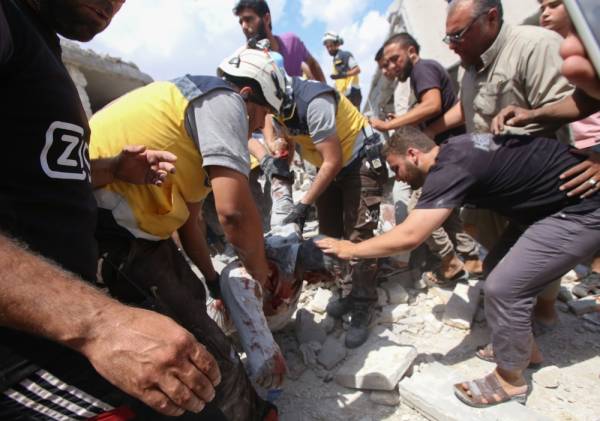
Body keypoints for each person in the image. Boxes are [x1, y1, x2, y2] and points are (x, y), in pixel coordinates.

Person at [0, 0, 230, 419]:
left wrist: (114, 169)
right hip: (21, 352)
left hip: (61, 321)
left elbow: (36, 175)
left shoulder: (41, 45)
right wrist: (99, 323)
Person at [316, 126, 600, 407]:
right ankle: (525, 350)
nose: (398, 179)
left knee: (504, 287)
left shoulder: (448, 169)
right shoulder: (453, 149)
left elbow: (410, 236)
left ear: (413, 154)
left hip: (580, 209)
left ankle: (510, 378)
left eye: (397, 168)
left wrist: (350, 248)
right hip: (546, 208)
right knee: (495, 266)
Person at [90, 48, 289, 420]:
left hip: (141, 236)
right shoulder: (223, 101)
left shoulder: (195, 122)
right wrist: (259, 278)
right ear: (247, 96)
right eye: (260, 116)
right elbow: (233, 213)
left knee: (195, 297)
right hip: (108, 237)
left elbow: (191, 221)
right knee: (206, 351)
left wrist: (214, 282)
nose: (253, 128)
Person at [253, 62, 388, 349]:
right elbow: (290, 140)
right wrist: (281, 161)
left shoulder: (314, 101)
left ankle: (363, 302)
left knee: (358, 235)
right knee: (329, 234)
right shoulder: (278, 106)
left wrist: (303, 204)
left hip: (357, 159)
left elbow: (334, 160)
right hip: (329, 167)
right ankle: (346, 289)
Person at [425, 0, 577, 251]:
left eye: (458, 35)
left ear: (491, 18)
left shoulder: (534, 45)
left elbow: (570, 107)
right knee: (478, 231)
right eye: (448, 37)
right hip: (491, 181)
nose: (452, 45)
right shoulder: (470, 64)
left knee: (530, 264)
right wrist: (432, 130)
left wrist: (529, 117)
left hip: (535, 183)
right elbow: (468, 106)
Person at [371, 32, 483, 283]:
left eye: (393, 59)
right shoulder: (419, 77)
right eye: (385, 65)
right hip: (449, 152)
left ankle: (449, 262)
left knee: (418, 208)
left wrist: (391, 125)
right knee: (448, 212)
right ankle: (472, 259)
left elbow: (432, 105)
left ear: (412, 52)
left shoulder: (422, 69)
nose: (390, 67)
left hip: (447, 152)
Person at [234, 0, 325, 82]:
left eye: (248, 19)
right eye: (241, 22)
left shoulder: (292, 43)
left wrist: (325, 90)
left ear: (267, 19)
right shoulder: (244, 59)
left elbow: (312, 63)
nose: (244, 27)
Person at [322, 31, 362, 108]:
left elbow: (357, 69)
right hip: (344, 95)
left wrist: (343, 75)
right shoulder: (335, 59)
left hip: (352, 92)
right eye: (327, 47)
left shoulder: (345, 55)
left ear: (337, 44)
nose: (329, 49)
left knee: (355, 119)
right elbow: (338, 81)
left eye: (331, 46)